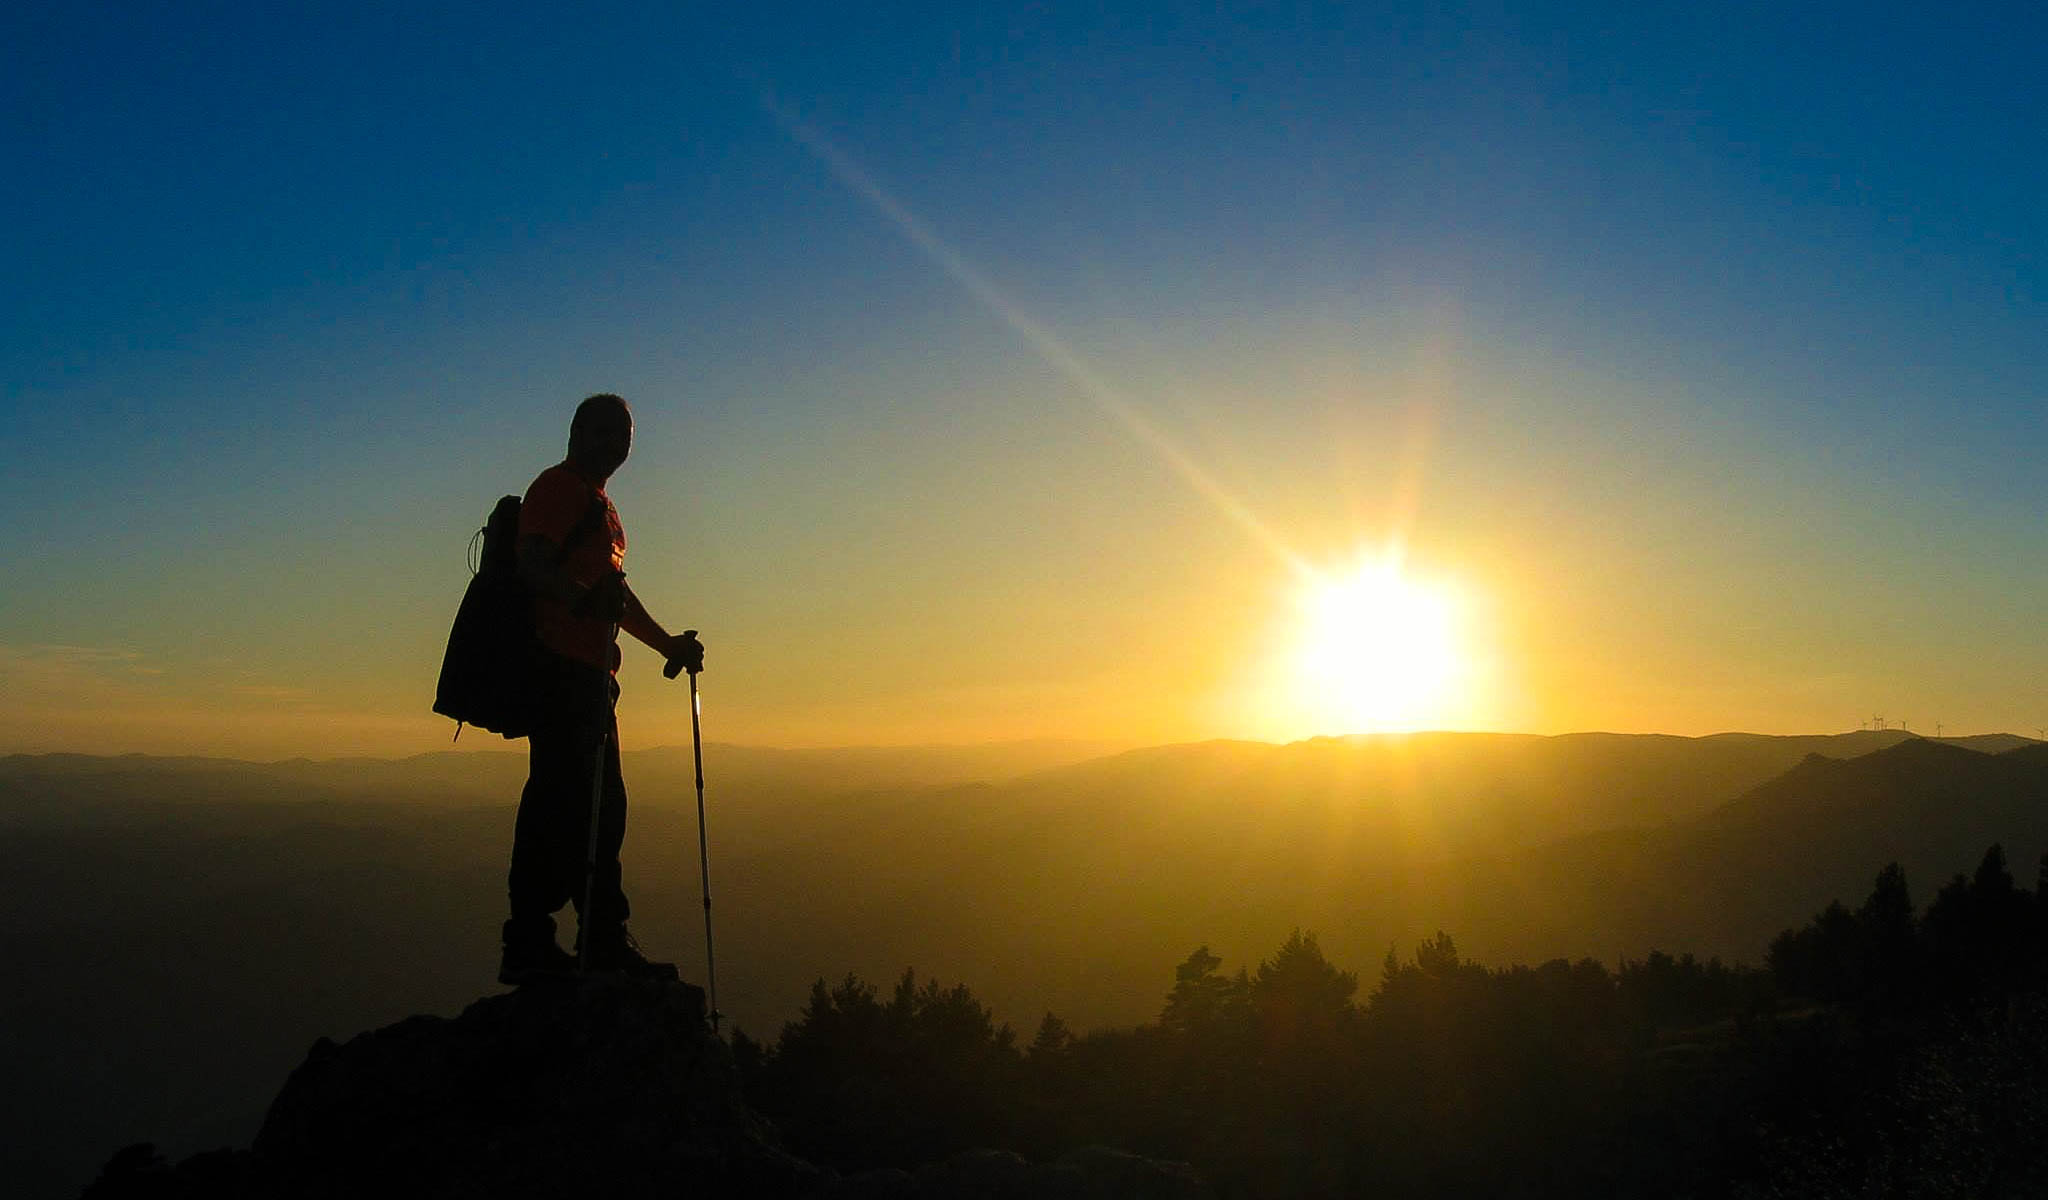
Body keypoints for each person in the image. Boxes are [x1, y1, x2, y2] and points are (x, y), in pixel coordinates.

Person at [499, 393, 705, 984]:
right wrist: (578, 600)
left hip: (588, 676)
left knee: (584, 807)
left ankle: (562, 940)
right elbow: (532, 564)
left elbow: (615, 596)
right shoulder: (559, 490)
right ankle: (580, 942)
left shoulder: (599, 507)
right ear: (577, 432)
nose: (618, 444)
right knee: (579, 806)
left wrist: (668, 645)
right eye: (607, 431)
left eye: (626, 435)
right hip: (562, 673)